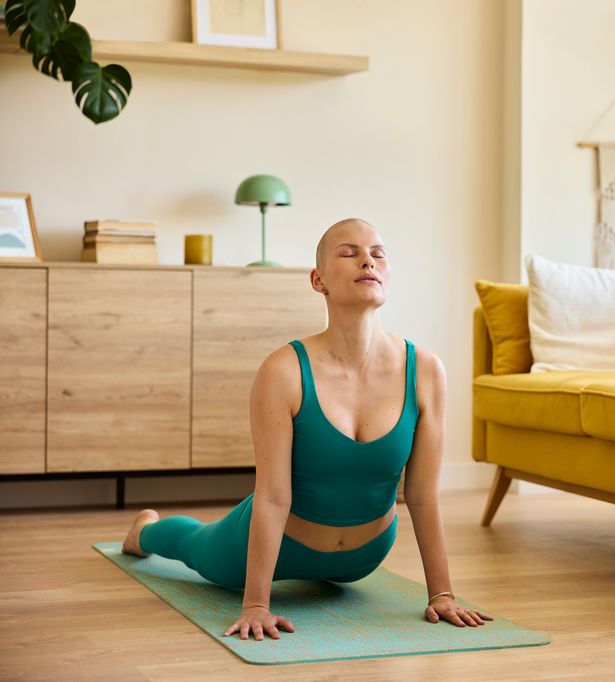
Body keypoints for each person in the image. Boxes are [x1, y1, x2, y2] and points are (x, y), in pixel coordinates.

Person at [121, 218, 491, 640]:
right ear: (319, 280)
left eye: (378, 253)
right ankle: (144, 533)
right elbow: (274, 495)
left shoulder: (425, 370)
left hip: (363, 558)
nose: (368, 260)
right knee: (197, 546)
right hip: (279, 547)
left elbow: (421, 494)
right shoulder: (284, 371)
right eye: (349, 253)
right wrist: (256, 604)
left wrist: (441, 594)